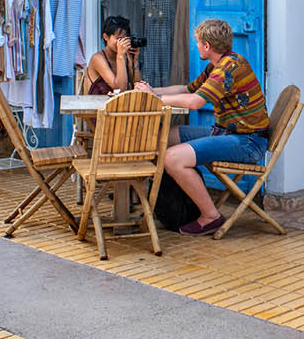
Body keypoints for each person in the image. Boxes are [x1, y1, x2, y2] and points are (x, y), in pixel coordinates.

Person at [135, 19, 270, 236]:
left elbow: (195, 102)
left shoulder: (227, 69)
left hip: (247, 142)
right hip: (228, 133)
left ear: (207, 46)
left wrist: (156, 100)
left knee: (171, 158)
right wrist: (152, 90)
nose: (196, 45)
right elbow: (188, 90)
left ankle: (210, 217)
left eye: (197, 42)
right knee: (165, 136)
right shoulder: (219, 64)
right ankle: (163, 202)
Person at [84, 16, 140, 95]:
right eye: (119, 39)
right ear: (106, 37)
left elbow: (139, 86)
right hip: (98, 106)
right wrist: (120, 56)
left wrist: (134, 61)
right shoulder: (98, 58)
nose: (122, 43)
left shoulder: (126, 56)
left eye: (125, 39)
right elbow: (120, 89)